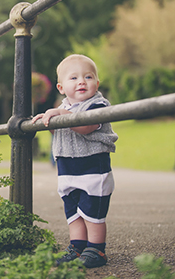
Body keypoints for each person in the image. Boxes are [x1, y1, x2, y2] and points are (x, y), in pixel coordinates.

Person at [30, 54, 118, 268]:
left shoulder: (98, 105)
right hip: (67, 170)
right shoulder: (64, 107)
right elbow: (59, 134)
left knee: (92, 212)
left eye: (88, 77)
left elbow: (85, 126)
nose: (81, 81)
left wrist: (60, 114)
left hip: (93, 170)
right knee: (74, 213)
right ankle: (77, 247)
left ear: (96, 84)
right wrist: (49, 122)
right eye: (74, 78)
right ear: (60, 87)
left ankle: (96, 249)